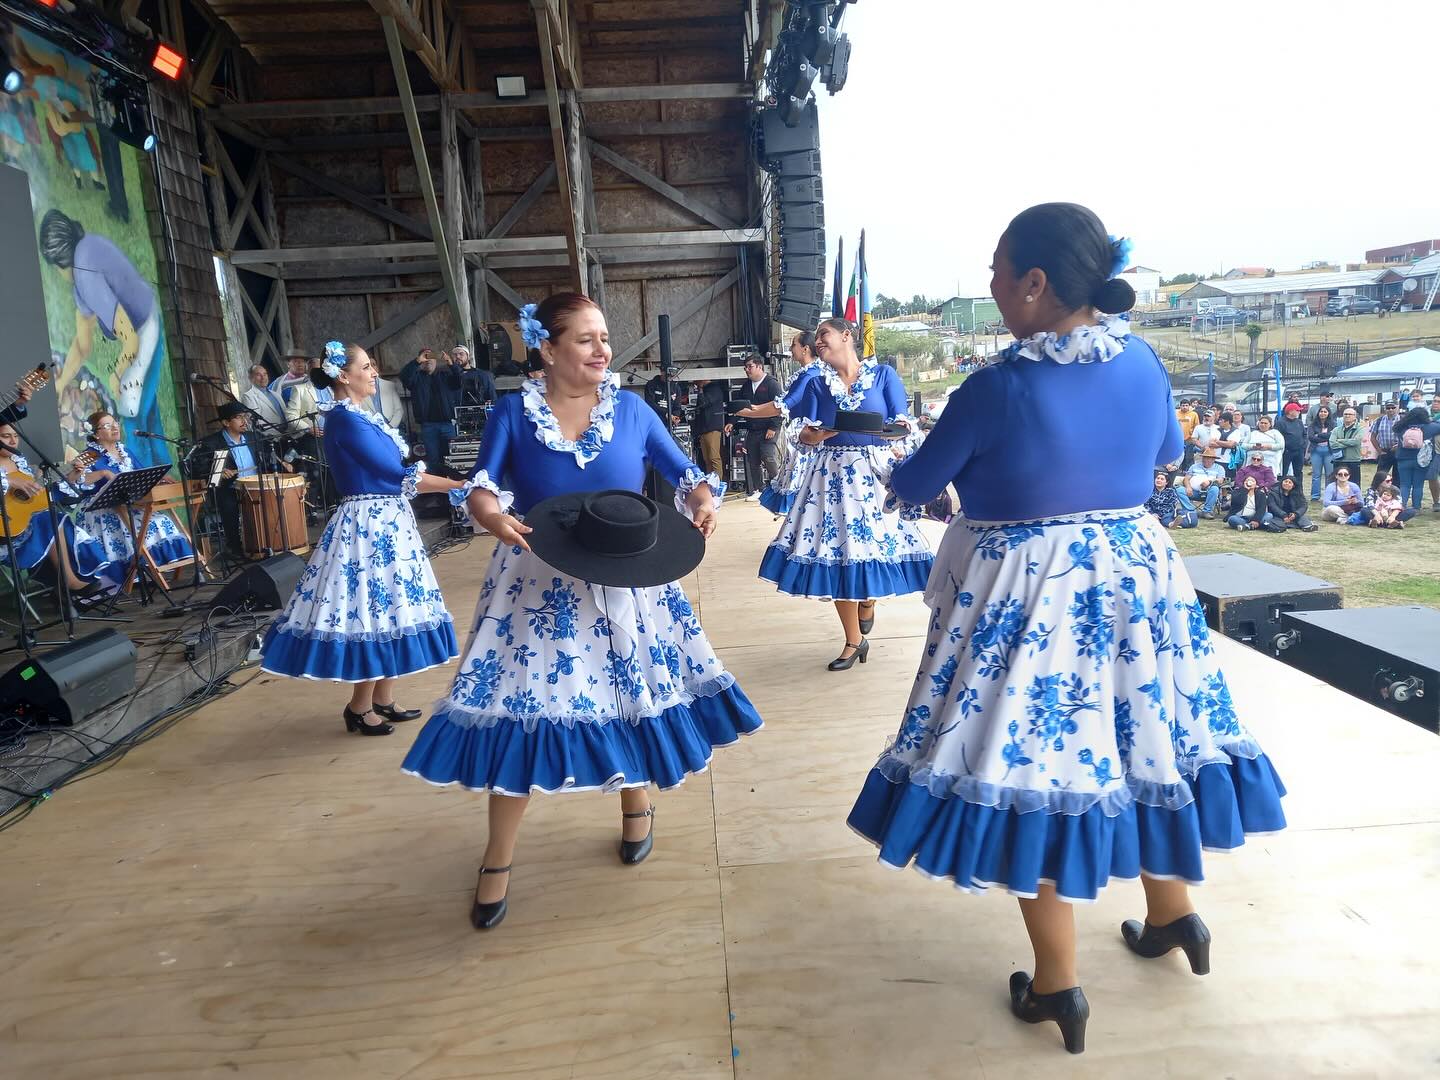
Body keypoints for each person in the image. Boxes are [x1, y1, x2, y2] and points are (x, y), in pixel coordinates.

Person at [847, 204, 1284, 1055]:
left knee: (1035, 765)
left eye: (998, 269)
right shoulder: (1144, 360)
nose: (991, 283)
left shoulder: (997, 387)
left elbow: (917, 484)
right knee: (1144, 739)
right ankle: (1174, 915)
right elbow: (1167, 455)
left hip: (1031, 595)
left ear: (1036, 284)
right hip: (1137, 579)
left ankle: (1057, 985)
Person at [399, 294, 761, 932]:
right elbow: (483, 484)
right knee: (521, 712)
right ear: (548, 348)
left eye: (604, 338)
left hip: (628, 581)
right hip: (536, 582)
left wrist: (704, 498)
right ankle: (497, 858)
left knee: (631, 694)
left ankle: (635, 804)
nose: (602, 350)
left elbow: (685, 471)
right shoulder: (514, 413)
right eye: (586, 339)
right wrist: (489, 513)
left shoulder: (634, 410)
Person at [259, 341, 464, 732]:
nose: (374, 373)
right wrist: (457, 484)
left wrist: (455, 484)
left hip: (387, 521)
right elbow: (394, 473)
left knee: (392, 607)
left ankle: (383, 698)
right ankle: (359, 706)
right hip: (367, 526)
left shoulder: (361, 416)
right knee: (372, 611)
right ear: (343, 374)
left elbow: (395, 473)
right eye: (367, 367)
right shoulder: (345, 420)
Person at [758, 317, 932, 669]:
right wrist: (813, 436)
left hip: (874, 475)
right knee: (836, 554)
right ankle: (854, 641)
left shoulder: (883, 375)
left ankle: (868, 600)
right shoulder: (816, 382)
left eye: (824, 334)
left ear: (847, 336)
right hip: (831, 477)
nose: (818, 341)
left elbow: (904, 423)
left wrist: (895, 431)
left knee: (874, 550)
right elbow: (801, 433)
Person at [39, 210, 168, 466]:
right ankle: (163, 473)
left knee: (130, 411)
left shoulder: (86, 277)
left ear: (59, 260)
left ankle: (142, 478)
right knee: (147, 409)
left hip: (144, 328)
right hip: (143, 319)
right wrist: (61, 382)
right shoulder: (85, 250)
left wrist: (118, 374)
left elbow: (130, 339)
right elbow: (82, 343)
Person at [74, 410, 195, 584]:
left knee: (161, 520)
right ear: (96, 434)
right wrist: (102, 473)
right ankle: (133, 571)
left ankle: (150, 567)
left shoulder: (125, 451)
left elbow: (140, 474)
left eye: (115, 423)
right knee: (144, 525)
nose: (115, 427)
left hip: (128, 505)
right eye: (107, 425)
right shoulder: (89, 455)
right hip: (101, 508)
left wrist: (158, 479)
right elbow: (78, 481)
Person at [0, 422, 115, 603]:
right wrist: (8, 480)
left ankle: (65, 583)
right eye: (6, 436)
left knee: (56, 519)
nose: (13, 441)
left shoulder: (20, 463)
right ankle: (69, 582)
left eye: (16, 436)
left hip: (27, 526)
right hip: (6, 534)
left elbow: (41, 495)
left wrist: (72, 476)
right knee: (52, 519)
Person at [188, 402, 294, 562]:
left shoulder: (254, 437)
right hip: (229, 487)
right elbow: (197, 468)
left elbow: (268, 455)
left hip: (255, 486)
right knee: (228, 505)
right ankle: (235, 547)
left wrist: (282, 463)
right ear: (226, 422)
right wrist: (217, 471)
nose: (244, 421)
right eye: (238, 418)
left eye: (245, 417)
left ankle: (270, 543)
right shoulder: (211, 443)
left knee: (273, 503)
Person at [733, 331, 823, 514]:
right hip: (802, 438)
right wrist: (754, 409)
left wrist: (751, 412)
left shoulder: (811, 375)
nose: (791, 349)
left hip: (810, 440)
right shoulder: (806, 374)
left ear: (805, 349)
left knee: (804, 490)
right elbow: (782, 402)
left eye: (794, 345)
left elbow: (783, 405)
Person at [398, 348, 461, 465]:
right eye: (425, 357)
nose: (428, 360)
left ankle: (450, 477)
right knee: (433, 460)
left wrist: (451, 364)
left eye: (431, 357)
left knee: (452, 458)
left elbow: (459, 381)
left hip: (448, 424)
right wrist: (416, 361)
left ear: (436, 360)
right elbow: (403, 376)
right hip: (428, 426)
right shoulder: (416, 378)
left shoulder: (446, 375)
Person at [736, 355, 782, 500]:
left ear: (759, 366)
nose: (747, 370)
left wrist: (774, 426)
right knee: (753, 459)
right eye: (745, 367)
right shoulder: (746, 386)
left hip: (769, 427)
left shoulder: (772, 384)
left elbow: (780, 406)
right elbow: (739, 406)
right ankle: (758, 489)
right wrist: (731, 422)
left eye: (750, 366)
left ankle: (778, 486)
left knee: (768, 456)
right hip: (753, 428)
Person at [1393, 406, 1440, 512]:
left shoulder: (1401, 427)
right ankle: (1416, 507)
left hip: (1403, 459)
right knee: (1418, 485)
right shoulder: (1430, 427)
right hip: (1421, 460)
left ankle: (1402, 506)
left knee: (1404, 484)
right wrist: (1433, 420)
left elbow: (1395, 429)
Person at [690, 377, 729, 479]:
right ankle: (710, 481)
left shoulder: (714, 388)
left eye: (696, 381)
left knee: (713, 457)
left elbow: (704, 403)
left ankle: (718, 482)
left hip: (712, 427)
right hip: (704, 429)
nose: (695, 383)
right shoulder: (707, 389)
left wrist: (700, 390)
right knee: (707, 459)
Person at [1182, 446, 1227, 518]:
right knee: (1179, 490)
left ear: (1213, 459)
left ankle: (1206, 511)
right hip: (1192, 492)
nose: (1206, 460)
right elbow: (1186, 478)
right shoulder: (1194, 466)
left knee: (1215, 489)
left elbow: (1220, 480)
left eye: (1209, 458)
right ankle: (1190, 510)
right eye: (1205, 457)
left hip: (1209, 493)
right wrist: (1188, 487)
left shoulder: (1219, 468)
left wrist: (1210, 481)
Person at [241, 363, 287, 432]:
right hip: (271, 436)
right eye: (258, 375)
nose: (263, 377)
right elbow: (254, 423)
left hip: (289, 433)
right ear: (250, 378)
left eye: (265, 374)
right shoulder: (248, 396)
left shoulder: (276, 394)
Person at [1368, 400, 1400, 489]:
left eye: (1393, 407)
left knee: (1398, 477)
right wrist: (1379, 451)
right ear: (1385, 409)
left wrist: (1399, 445)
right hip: (1385, 451)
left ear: (1397, 408)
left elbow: (1407, 436)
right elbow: (1372, 437)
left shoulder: (1402, 420)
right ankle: (1375, 492)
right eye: (1388, 408)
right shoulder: (1379, 420)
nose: (1390, 410)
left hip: (1399, 451)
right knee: (1380, 476)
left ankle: (1396, 494)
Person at [1330, 406, 1364, 489]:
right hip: (1338, 460)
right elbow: (1332, 443)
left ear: (1355, 416)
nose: (1347, 416)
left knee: (1354, 485)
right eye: (1345, 414)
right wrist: (1348, 443)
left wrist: (1340, 440)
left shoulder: (1360, 428)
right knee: (1338, 484)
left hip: (1353, 460)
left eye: (1350, 414)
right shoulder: (1336, 429)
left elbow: (1356, 442)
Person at [1275, 401, 1307, 483]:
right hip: (1286, 452)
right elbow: (1277, 437)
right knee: (1283, 472)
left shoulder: (1299, 422)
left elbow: (1304, 434)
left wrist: (1303, 445)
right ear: (1290, 411)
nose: (1299, 412)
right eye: (1297, 410)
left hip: (1299, 451)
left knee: (1298, 472)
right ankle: (1281, 488)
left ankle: (1298, 489)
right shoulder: (1280, 423)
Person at [1307, 405, 1334, 500]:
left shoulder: (1333, 424)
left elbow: (1332, 436)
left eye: (1325, 412)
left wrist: (1319, 435)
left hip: (1329, 451)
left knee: (1329, 474)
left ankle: (1329, 495)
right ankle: (1315, 495)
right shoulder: (1312, 425)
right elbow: (1311, 437)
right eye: (1321, 411)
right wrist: (1325, 437)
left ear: (1328, 413)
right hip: (1316, 451)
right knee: (1316, 474)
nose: (1323, 413)